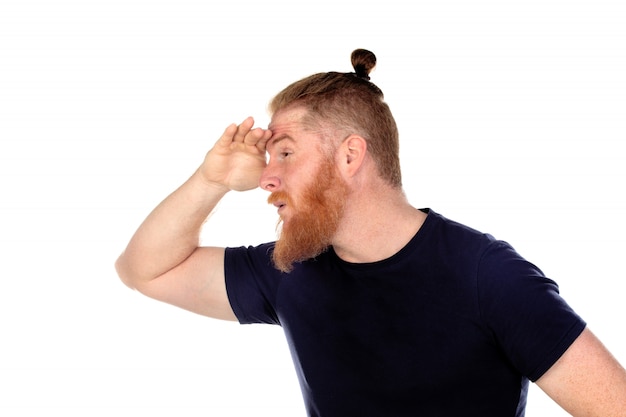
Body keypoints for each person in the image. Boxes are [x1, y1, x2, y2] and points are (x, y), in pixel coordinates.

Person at [115, 49, 626, 416]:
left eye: (286, 153)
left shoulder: (487, 276)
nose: (266, 179)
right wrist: (211, 181)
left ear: (350, 156)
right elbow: (143, 270)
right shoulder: (291, 270)